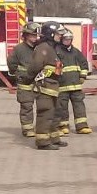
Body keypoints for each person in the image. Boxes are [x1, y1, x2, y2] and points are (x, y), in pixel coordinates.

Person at [26, 21, 67, 150]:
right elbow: (35, 66)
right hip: (44, 87)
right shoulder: (43, 48)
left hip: (53, 86)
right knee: (46, 113)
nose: (60, 36)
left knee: (54, 113)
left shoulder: (51, 48)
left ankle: (54, 138)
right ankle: (42, 142)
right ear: (50, 34)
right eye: (58, 34)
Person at [6, 21, 41, 137]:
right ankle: (27, 129)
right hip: (25, 83)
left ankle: (41, 127)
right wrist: (18, 74)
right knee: (27, 106)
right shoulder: (19, 49)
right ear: (26, 35)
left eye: (36, 35)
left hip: (40, 83)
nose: (35, 37)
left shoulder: (40, 48)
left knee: (43, 106)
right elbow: (12, 64)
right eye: (33, 35)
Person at [56, 29, 92, 135]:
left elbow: (84, 64)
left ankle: (82, 126)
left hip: (76, 85)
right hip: (62, 85)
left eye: (69, 39)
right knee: (62, 107)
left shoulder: (76, 51)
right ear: (61, 40)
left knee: (79, 105)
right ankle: (63, 126)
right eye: (65, 39)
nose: (67, 41)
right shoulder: (56, 51)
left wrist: (83, 76)